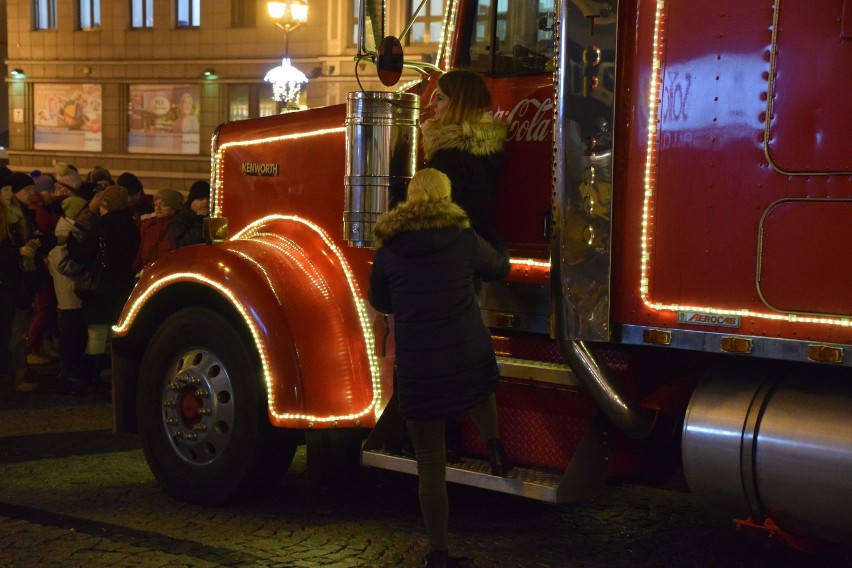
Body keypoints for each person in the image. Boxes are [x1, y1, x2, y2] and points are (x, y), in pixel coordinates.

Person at [367, 168, 511, 568]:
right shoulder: (463, 236)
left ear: (410, 199)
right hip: (466, 352)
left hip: (419, 366)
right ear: (447, 196)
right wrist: (496, 234)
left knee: (430, 462)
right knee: (483, 381)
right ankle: (496, 449)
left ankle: (439, 553)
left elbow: (381, 299)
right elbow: (500, 267)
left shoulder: (390, 246)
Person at [421, 69, 508, 253]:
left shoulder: (451, 156)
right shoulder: (481, 150)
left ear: (458, 105)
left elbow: (431, 217)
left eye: (440, 98)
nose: (432, 104)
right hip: (479, 249)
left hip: (455, 256)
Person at [65, 185, 140, 396]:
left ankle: (92, 381)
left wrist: (69, 242)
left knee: (96, 336)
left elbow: (83, 255)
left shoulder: (101, 225)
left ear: (105, 203)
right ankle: (118, 381)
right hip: (121, 285)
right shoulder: (131, 224)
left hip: (99, 287)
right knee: (114, 333)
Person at [0, 176, 40, 394]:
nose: (8, 193)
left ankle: (16, 377)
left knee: (17, 332)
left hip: (17, 284)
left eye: (9, 188)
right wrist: (18, 251)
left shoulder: (20, 214)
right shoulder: (6, 217)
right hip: (6, 283)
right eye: (4, 188)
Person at [46, 195, 88, 388]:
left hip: (70, 293)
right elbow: (66, 265)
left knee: (73, 333)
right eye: (84, 211)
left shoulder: (72, 229)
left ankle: (71, 369)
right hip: (69, 292)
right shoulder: (66, 233)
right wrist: (85, 269)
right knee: (71, 333)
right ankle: (68, 371)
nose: (88, 213)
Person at [134, 188, 183, 273]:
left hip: (169, 273)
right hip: (148, 273)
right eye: (155, 205)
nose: (158, 208)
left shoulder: (180, 226)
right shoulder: (148, 226)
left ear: (174, 207)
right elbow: (138, 253)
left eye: (164, 205)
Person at [170, 180, 210, 248]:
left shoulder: (213, 216)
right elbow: (181, 244)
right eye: (200, 199)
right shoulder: (181, 219)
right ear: (192, 201)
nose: (205, 201)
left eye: (208, 198)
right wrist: (200, 220)